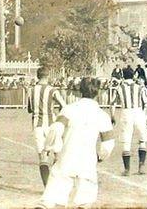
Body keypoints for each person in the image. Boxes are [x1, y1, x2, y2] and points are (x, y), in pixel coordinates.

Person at [36, 77, 115, 208]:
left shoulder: (69, 109)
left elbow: (55, 129)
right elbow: (108, 143)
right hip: (88, 161)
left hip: (66, 157)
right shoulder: (102, 115)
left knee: (49, 200)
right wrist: (100, 156)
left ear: (79, 91)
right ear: (98, 93)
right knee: (84, 202)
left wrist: (49, 147)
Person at [110, 69, 147, 176]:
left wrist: (112, 116)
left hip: (126, 113)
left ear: (123, 76)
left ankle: (127, 169)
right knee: (142, 139)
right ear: (134, 75)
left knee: (126, 141)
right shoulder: (140, 87)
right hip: (139, 113)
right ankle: (141, 166)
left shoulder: (119, 88)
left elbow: (113, 104)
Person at [27, 67, 66, 186]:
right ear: (48, 76)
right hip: (51, 124)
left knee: (42, 156)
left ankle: (46, 186)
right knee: (57, 153)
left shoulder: (31, 90)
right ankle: (57, 182)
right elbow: (64, 106)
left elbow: (29, 109)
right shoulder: (52, 90)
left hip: (37, 125)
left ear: (37, 76)